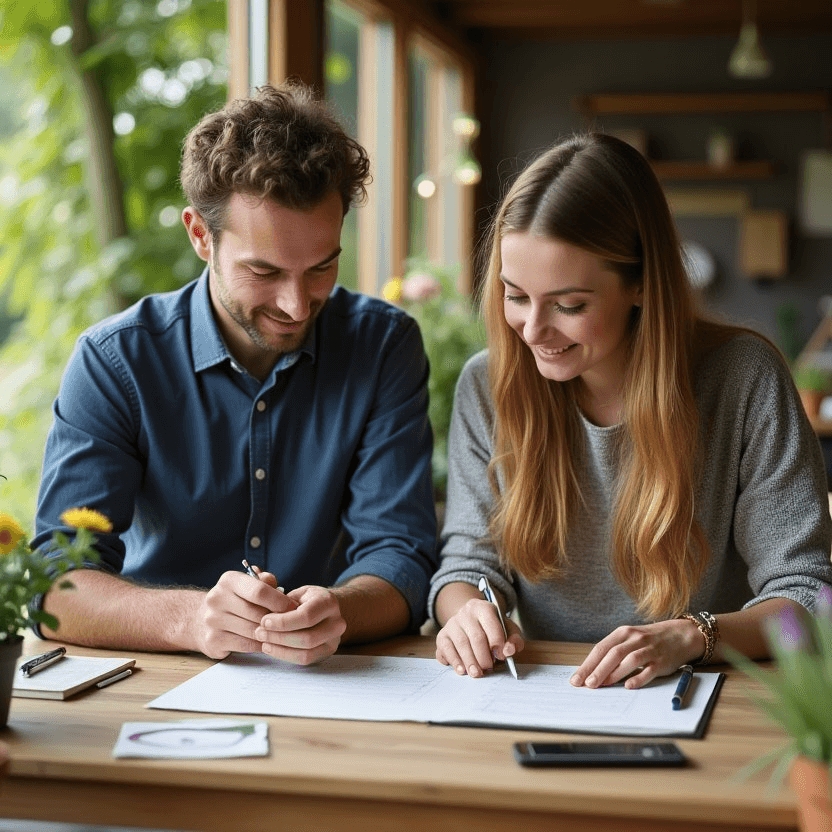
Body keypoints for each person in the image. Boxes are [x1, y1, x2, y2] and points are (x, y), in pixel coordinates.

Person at [33, 82, 437, 664]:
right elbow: (57, 580)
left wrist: (339, 610)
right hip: (156, 671)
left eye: (321, 267)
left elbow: (400, 555)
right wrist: (191, 618)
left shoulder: (383, 347)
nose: (297, 305)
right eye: (264, 271)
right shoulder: (115, 362)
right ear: (201, 235)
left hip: (331, 679)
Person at [430, 133, 832, 689]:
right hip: (555, 694)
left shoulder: (745, 380)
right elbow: (467, 565)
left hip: (712, 696)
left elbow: (809, 597)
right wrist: (467, 611)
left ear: (641, 284)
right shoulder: (488, 383)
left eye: (569, 305)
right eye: (515, 295)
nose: (533, 331)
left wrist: (693, 635)